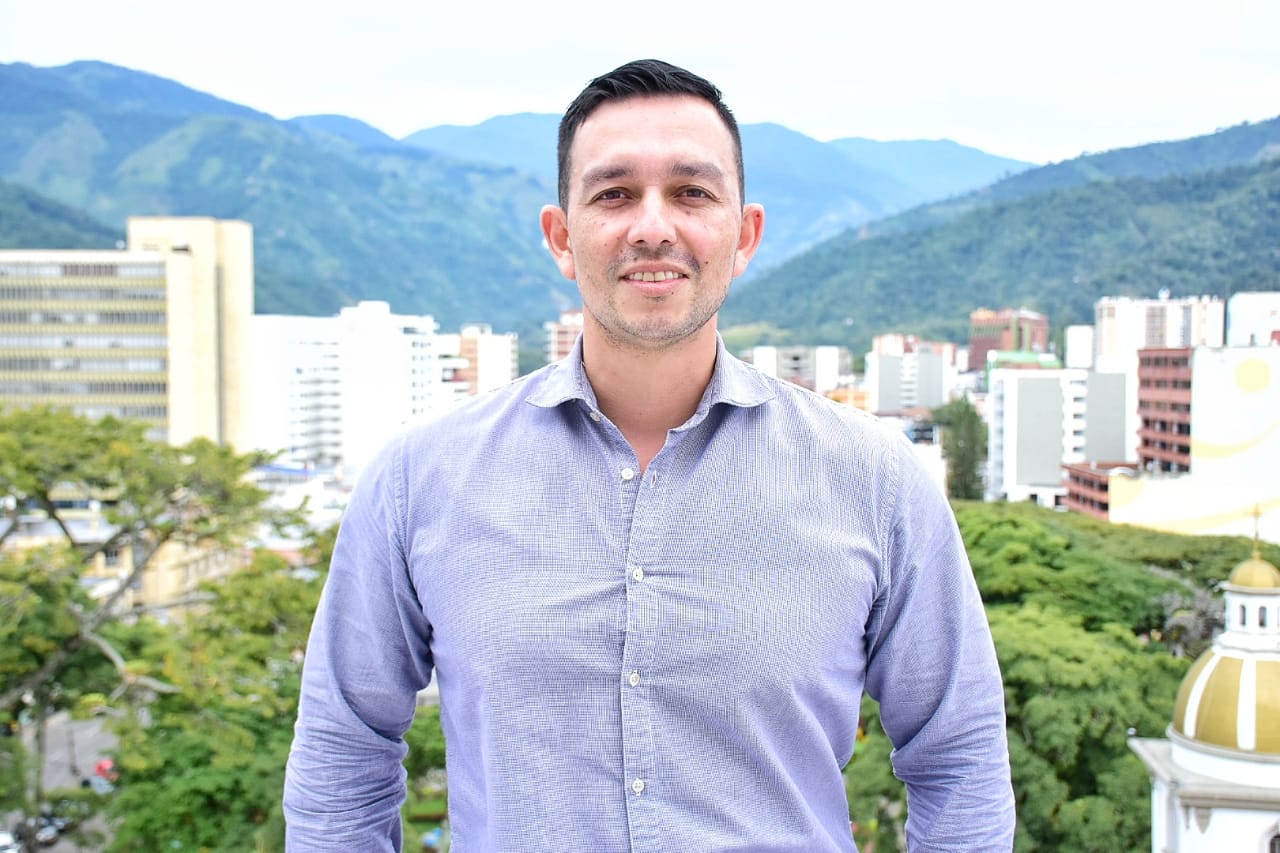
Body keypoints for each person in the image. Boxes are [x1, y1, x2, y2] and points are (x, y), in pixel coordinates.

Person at [284, 58, 1014, 851]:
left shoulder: (874, 480)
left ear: (745, 235)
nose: (653, 226)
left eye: (692, 192)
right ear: (561, 238)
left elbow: (959, 754)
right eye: (615, 194)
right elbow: (343, 751)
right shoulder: (419, 481)